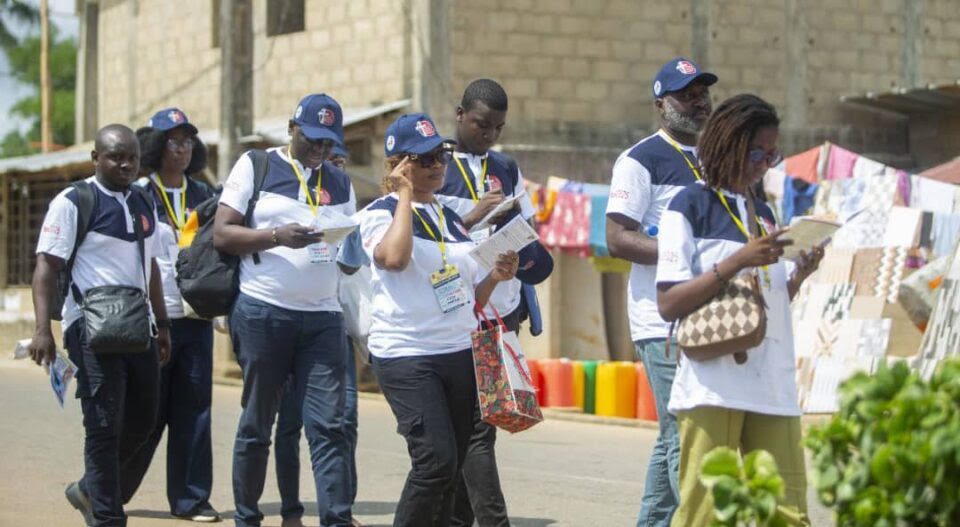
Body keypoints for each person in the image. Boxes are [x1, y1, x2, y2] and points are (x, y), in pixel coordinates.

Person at [655, 94, 820, 527]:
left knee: (788, 513)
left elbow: (763, 297)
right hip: (713, 384)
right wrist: (738, 260)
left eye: (772, 154)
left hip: (772, 381)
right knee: (705, 513)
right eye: (757, 153)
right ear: (727, 144)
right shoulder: (690, 205)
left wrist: (797, 276)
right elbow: (669, 301)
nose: (765, 163)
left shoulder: (763, 211)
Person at [354, 113, 518, 527]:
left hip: (458, 351)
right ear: (398, 165)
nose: (436, 167)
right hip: (408, 355)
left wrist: (496, 278)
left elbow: (467, 298)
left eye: (440, 157)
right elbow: (395, 258)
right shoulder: (379, 213)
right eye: (423, 160)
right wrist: (405, 196)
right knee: (434, 463)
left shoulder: (449, 218)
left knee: (455, 466)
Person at [213, 93, 356, 527]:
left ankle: (335, 519)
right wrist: (276, 236)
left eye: (328, 143)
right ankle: (247, 517)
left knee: (329, 426)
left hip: (323, 319)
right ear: (292, 129)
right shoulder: (256, 165)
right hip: (263, 314)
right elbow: (223, 233)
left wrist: (351, 243)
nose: (320, 150)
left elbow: (349, 256)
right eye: (313, 139)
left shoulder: (339, 180)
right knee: (259, 424)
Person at [29, 124, 171, 527]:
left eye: (131, 157)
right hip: (90, 330)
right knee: (104, 426)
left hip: (138, 327)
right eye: (115, 156)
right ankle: (108, 517)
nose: (125, 163)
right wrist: (44, 329)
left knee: (144, 422)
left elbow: (153, 267)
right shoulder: (74, 201)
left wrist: (162, 325)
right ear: (96, 158)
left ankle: (90, 489)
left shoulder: (144, 200)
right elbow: (46, 266)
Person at [605, 57, 717, 527]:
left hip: (710, 314)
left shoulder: (716, 157)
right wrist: (680, 252)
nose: (698, 101)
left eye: (702, 92)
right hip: (662, 318)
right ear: (660, 105)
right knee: (685, 433)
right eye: (685, 94)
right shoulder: (640, 159)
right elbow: (618, 238)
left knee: (673, 435)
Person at [435, 78, 542, 527]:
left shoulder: (507, 166)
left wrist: (517, 231)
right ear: (460, 114)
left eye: (498, 127)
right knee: (472, 427)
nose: (489, 134)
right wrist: (473, 216)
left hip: (501, 312)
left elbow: (533, 236)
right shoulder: (432, 162)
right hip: (453, 309)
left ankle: (457, 518)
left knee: (481, 425)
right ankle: (487, 519)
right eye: (481, 124)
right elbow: (425, 233)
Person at [115, 108, 220, 522]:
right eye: (174, 141)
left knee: (194, 411)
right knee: (145, 412)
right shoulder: (138, 193)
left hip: (195, 318)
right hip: (153, 320)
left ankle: (191, 500)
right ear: (155, 147)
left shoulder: (203, 195)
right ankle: (104, 489)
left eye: (189, 141)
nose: (183, 148)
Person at [273, 143, 363, 527]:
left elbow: (353, 265)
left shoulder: (345, 205)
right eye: (329, 163)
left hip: (336, 327)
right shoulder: (292, 200)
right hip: (293, 323)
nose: (335, 171)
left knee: (344, 421)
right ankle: (291, 511)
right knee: (291, 423)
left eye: (341, 163)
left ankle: (342, 509)